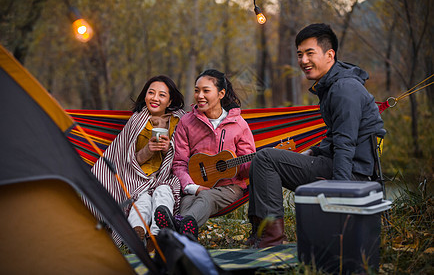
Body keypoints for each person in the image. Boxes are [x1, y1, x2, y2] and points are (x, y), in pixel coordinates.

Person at [247, 23, 386, 248]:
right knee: (262, 160)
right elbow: (335, 135)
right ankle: (260, 234)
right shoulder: (332, 85)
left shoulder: (344, 89)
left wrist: (340, 194)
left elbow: (345, 144)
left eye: (310, 53)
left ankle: (270, 240)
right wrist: (312, 151)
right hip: (341, 165)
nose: (303, 61)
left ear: (330, 54)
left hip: (352, 175)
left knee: (265, 159)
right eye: (300, 55)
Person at [155, 69, 256, 239]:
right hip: (195, 185)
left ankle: (171, 231)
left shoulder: (239, 124)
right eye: (196, 90)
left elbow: (246, 169)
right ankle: (183, 237)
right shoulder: (187, 122)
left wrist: (252, 162)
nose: (199, 95)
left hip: (229, 187)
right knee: (186, 205)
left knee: (206, 198)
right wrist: (192, 187)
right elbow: (179, 162)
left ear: (221, 93)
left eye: (206, 91)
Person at [91, 75, 185, 251]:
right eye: (151, 93)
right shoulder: (137, 120)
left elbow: (184, 156)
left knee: (163, 194)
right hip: (138, 178)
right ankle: (136, 233)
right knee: (142, 200)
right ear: (145, 95)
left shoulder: (180, 121)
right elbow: (127, 159)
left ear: (170, 100)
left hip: (165, 178)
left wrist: (167, 149)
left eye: (162, 95)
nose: (155, 98)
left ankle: (156, 236)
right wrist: (149, 150)